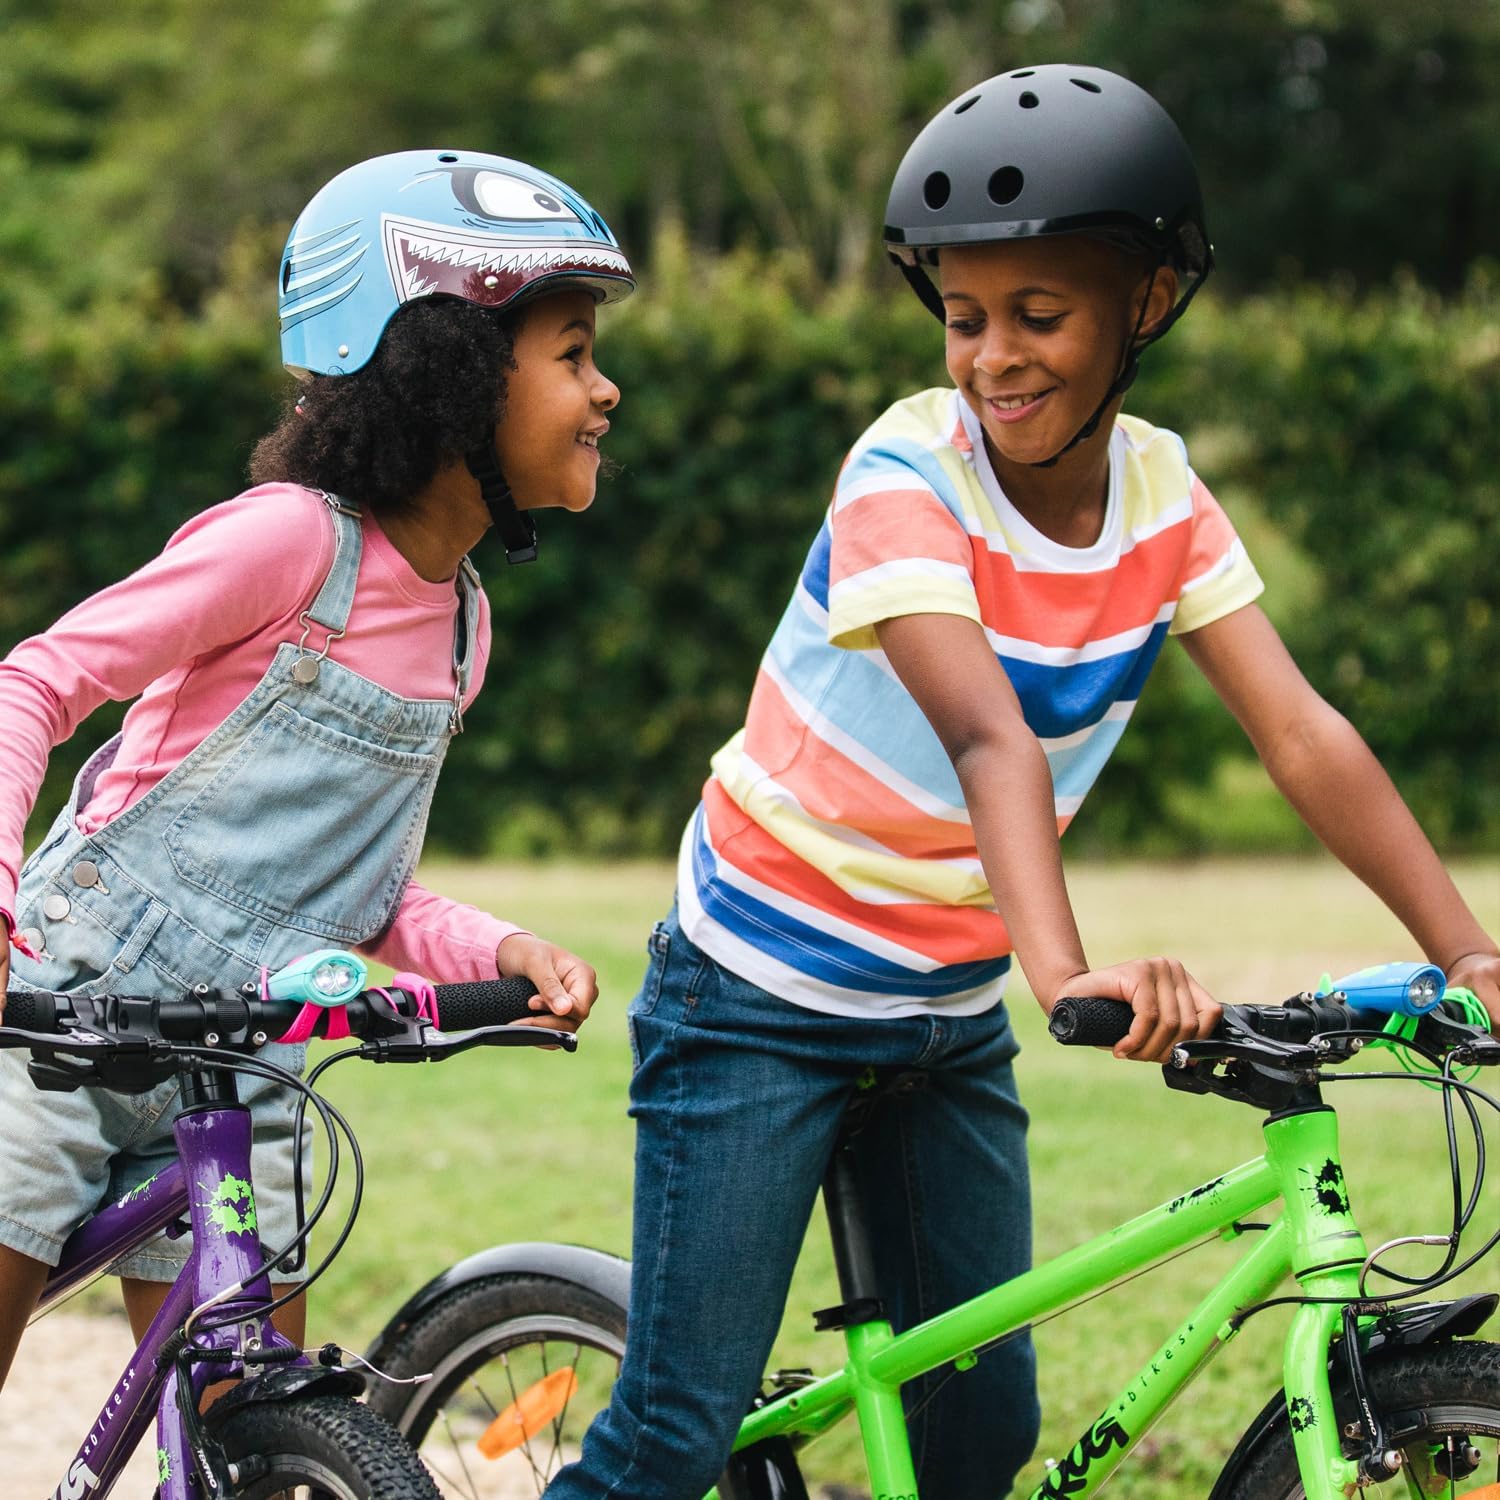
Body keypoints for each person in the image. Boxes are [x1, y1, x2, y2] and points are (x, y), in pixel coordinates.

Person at [545, 65, 1500, 1500]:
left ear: (1147, 303)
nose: (993, 356)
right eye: (964, 317)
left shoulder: (1163, 494)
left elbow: (1300, 732)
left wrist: (1467, 950)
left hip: (940, 1010)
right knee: (678, 1428)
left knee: (979, 1435)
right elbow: (989, 735)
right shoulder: (906, 473)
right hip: (757, 993)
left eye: (1038, 315)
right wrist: (1067, 976)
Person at [0, 149, 633, 1390]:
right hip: (65, 1025)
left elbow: (352, 891)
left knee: (256, 1433)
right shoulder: (289, 543)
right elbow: (34, 683)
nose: (606, 389)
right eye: (572, 353)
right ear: (451, 372)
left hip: (247, 1062)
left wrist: (497, 950)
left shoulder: (462, 633)